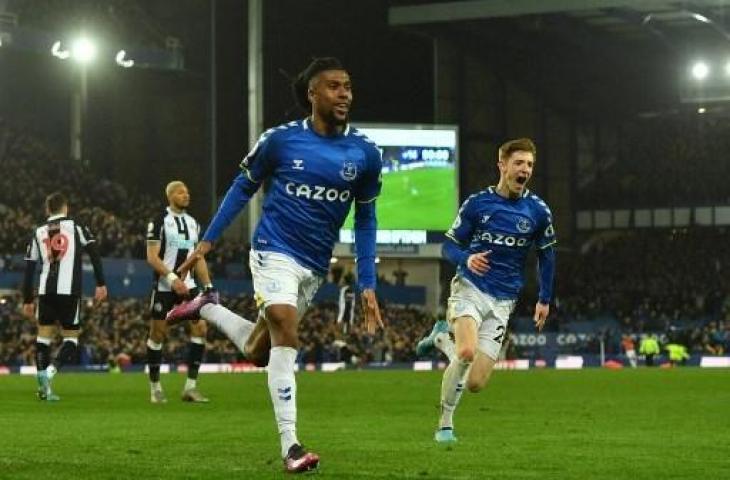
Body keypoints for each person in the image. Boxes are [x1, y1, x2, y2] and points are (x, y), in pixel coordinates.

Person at [168, 57, 384, 473]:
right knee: (285, 323)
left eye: (348, 87)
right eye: (335, 87)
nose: (345, 95)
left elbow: (367, 219)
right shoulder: (279, 141)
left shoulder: (366, 153)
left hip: (315, 265)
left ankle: (207, 306)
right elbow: (241, 187)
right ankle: (292, 446)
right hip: (273, 249)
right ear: (313, 94)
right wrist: (208, 240)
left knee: (259, 352)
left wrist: (368, 281)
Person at [416, 138, 556, 443]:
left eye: (530, 164)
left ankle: (441, 338)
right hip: (470, 286)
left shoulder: (538, 211)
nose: (525, 170)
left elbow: (547, 255)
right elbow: (448, 246)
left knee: (476, 383)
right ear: (502, 165)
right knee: (465, 352)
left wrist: (544, 298)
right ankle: (444, 424)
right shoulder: (478, 204)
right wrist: (466, 257)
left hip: (504, 299)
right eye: (518, 163)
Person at [22, 192, 107, 401]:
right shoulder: (77, 227)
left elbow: (29, 269)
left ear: (47, 210)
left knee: (43, 337)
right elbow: (94, 254)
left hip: (46, 291)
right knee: (71, 340)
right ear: (65, 208)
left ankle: (43, 385)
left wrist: (27, 299)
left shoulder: (38, 232)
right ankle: (50, 373)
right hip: (69, 292)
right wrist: (101, 284)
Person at [145, 180, 215, 403]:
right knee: (158, 334)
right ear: (170, 196)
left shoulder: (194, 223)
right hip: (165, 286)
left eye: (187, 191)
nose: (186, 195)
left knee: (201, 330)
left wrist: (209, 288)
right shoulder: (159, 221)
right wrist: (173, 278)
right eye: (180, 192)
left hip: (191, 286)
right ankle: (155, 387)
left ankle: (190, 388)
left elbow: (198, 257)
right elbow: (152, 257)